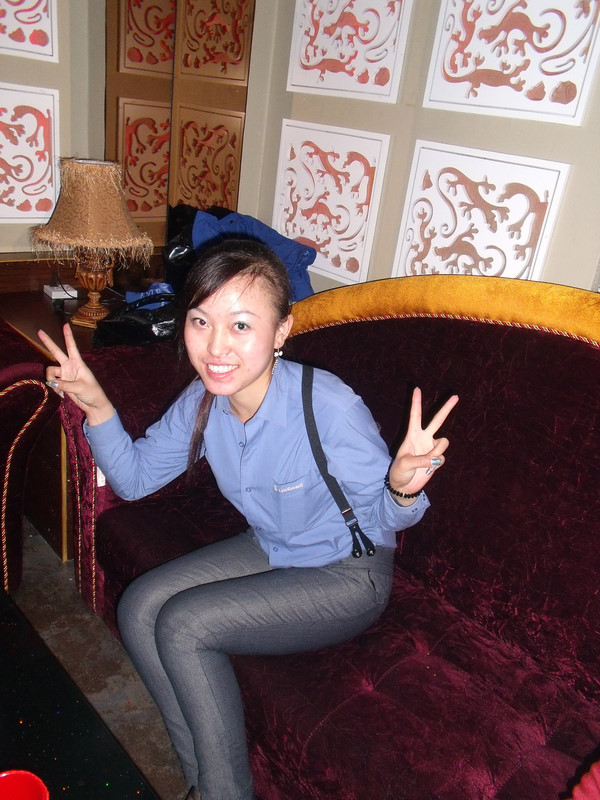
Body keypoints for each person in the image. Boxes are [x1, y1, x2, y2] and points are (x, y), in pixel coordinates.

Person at [39, 238, 458, 800]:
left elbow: (383, 520)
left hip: (348, 570)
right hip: (273, 545)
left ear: (281, 331)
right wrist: (96, 405)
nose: (216, 346)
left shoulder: (327, 404)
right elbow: (136, 479)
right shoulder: (204, 398)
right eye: (200, 321)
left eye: (241, 325)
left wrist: (401, 487)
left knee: (184, 624)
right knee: (140, 608)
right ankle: (203, 783)